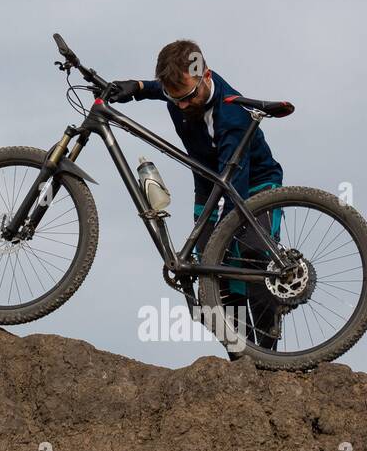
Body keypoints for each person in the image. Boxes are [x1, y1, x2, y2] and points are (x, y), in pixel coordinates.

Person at [110, 40, 283, 350]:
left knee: (250, 255)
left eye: (188, 98)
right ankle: (242, 354)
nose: (182, 106)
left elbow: (235, 187)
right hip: (208, 185)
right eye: (174, 100)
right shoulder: (181, 90)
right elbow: (159, 88)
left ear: (206, 76)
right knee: (208, 277)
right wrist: (134, 87)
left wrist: (223, 238)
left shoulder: (231, 116)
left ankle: (269, 351)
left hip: (253, 182)